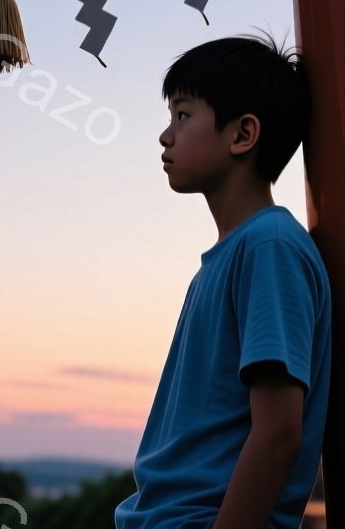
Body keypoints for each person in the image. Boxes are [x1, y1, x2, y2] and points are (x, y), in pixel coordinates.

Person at [115, 31, 331, 529]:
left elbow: (278, 432)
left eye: (183, 116)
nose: (165, 135)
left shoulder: (269, 246)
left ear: (242, 134)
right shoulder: (234, 253)